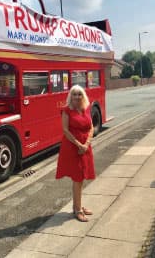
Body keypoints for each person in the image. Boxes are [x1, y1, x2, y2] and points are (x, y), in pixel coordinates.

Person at [56, 85, 95, 222]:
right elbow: (65, 131)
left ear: (83, 96)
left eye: (79, 94)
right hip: (73, 148)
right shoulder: (67, 111)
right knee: (77, 178)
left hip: (84, 147)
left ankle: (77, 205)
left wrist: (87, 144)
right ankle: (77, 210)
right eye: (74, 94)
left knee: (82, 177)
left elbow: (91, 127)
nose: (77, 97)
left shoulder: (85, 109)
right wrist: (79, 145)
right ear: (70, 96)